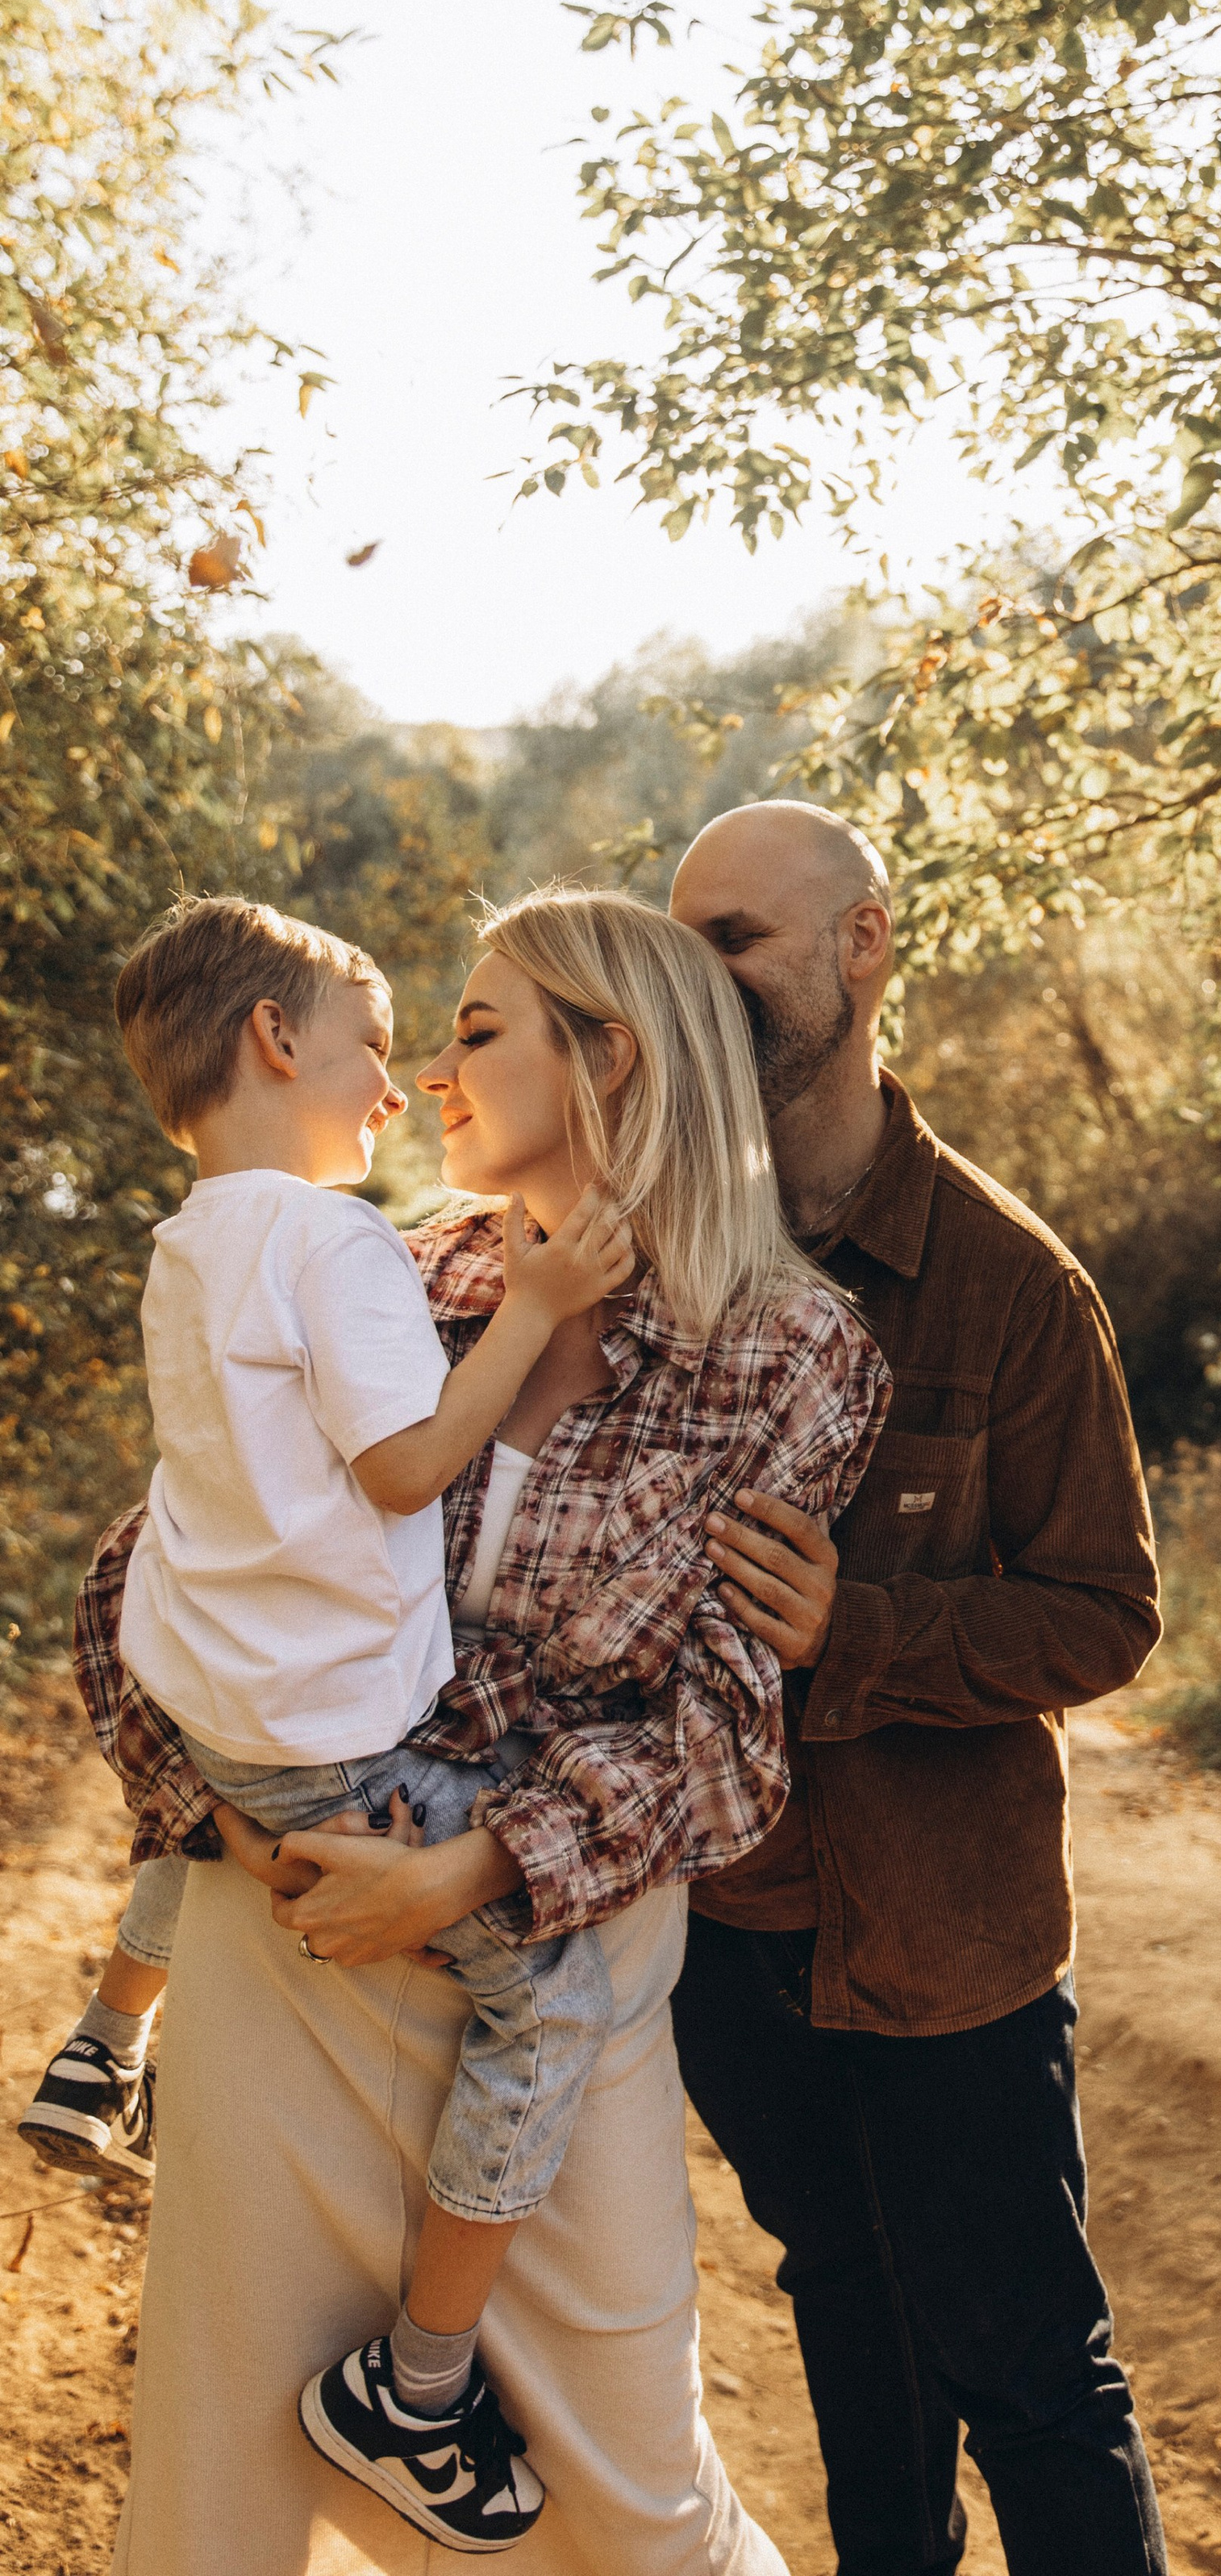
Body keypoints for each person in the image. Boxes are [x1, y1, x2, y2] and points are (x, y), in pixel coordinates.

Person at [73, 884, 890, 2576]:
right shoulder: (378, 1265)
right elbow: (140, 1576)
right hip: (281, 1934)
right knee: (225, 2468)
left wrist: (463, 1875)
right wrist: (231, 1830)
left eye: (474, 1030)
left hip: (549, 1954)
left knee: (627, 2486)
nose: (427, 1073)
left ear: (609, 1056)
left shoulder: (783, 1351)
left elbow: (723, 1749)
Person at [23, 894, 635, 2553]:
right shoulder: (333, 1241)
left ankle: (106, 2034)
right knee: (552, 2006)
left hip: (213, 1708)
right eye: (374, 1053)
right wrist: (536, 1294)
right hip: (334, 1741)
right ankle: (414, 2388)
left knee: (240, 1768)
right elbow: (404, 1467)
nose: (397, 1089)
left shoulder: (186, 1244)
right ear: (276, 1043)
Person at [668, 801, 1169, 2576]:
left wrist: (854, 1635)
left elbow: (1102, 1618)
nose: (698, 976)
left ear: (860, 947)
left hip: (946, 1951)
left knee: (1032, 2381)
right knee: (859, 2368)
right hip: (732, 1941)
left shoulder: (1013, 1287)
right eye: (684, 940)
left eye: (734, 937)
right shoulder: (658, 1256)